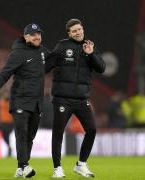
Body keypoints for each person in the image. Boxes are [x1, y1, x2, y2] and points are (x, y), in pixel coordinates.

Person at [0, 23, 49, 178]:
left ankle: (20, 167)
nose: (37, 36)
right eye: (33, 34)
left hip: (36, 102)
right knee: (22, 133)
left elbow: (58, 61)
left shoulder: (43, 52)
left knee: (30, 137)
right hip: (20, 100)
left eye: (39, 33)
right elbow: (4, 74)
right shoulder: (18, 53)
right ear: (25, 37)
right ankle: (25, 166)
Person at [45, 18, 106, 178]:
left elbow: (101, 68)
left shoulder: (89, 46)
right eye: (74, 31)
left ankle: (81, 165)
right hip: (62, 99)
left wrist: (91, 54)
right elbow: (47, 66)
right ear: (69, 34)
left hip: (81, 99)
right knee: (58, 133)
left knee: (92, 130)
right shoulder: (62, 46)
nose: (78, 32)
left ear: (83, 29)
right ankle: (57, 168)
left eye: (80, 29)